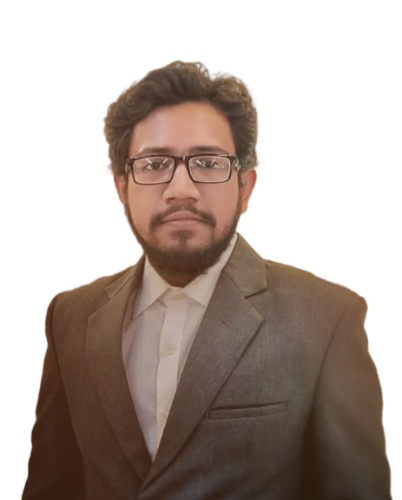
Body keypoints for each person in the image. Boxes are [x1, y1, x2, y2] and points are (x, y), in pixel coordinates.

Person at [23, 61, 391, 500]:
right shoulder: (70, 318)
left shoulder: (325, 320)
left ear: (245, 187)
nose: (181, 189)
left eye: (208, 162)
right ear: (122, 187)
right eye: (154, 163)